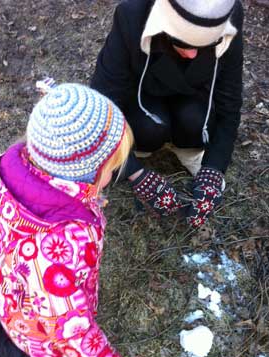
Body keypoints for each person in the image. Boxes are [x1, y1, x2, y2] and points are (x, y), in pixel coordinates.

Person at [0, 80, 145, 357]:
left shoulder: (5, 168)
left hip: (8, 274)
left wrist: (87, 197)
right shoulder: (63, 243)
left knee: (9, 290)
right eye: (109, 168)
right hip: (36, 326)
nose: (112, 176)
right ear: (83, 171)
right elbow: (69, 326)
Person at [91, 0, 244, 228]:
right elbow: (103, 104)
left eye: (204, 45)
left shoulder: (227, 11)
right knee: (149, 129)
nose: (192, 54)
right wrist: (134, 172)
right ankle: (140, 146)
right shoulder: (132, 15)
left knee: (194, 121)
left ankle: (189, 148)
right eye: (182, 42)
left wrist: (214, 168)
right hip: (144, 100)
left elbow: (228, 103)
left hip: (194, 94)